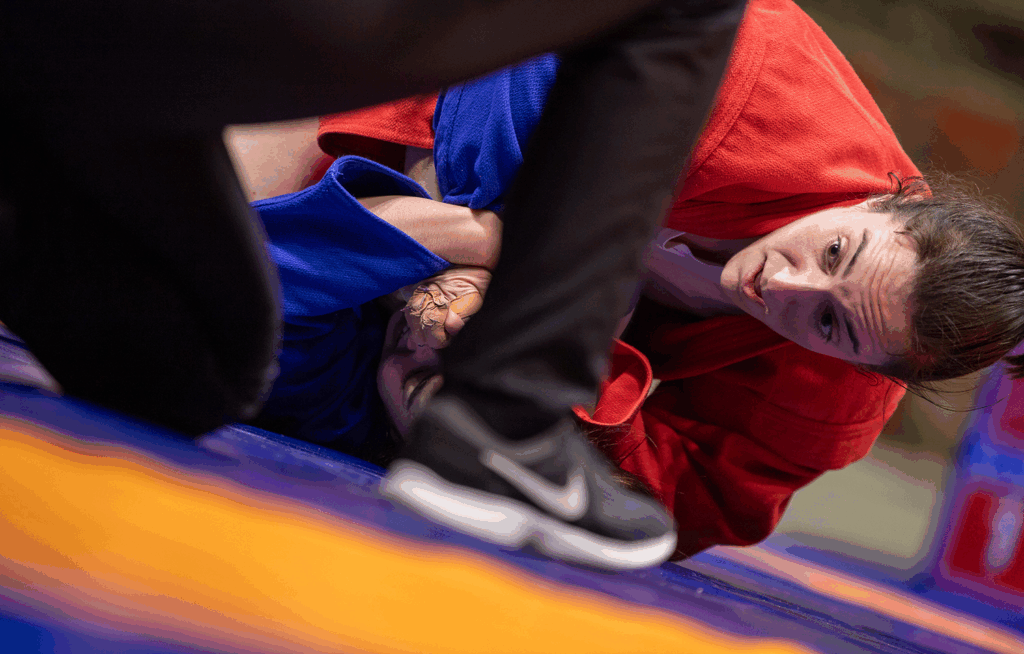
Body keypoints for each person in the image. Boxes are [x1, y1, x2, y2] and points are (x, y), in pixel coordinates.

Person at [317, 0, 1024, 559]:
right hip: (414, 91)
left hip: (403, 363)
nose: (785, 285)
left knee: (295, 383)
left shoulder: (843, 386)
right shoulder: (745, 84)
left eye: (829, 324)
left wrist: (575, 388)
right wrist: (495, 266)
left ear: (867, 369)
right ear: (886, 193)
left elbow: (681, 508)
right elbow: (503, 79)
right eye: (836, 251)